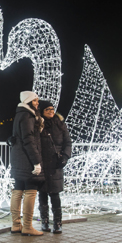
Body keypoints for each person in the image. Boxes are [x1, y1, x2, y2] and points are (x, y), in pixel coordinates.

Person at [9, 91, 44, 236]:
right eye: (35, 101)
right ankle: (28, 226)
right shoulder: (28, 116)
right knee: (31, 191)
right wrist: (36, 162)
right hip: (26, 159)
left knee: (18, 190)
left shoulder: (20, 114)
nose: (37, 103)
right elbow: (29, 140)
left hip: (18, 157)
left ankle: (16, 225)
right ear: (29, 101)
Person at [38, 100, 72, 234]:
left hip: (55, 163)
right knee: (42, 193)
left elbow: (67, 142)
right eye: (47, 110)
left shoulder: (60, 124)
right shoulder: (38, 124)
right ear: (42, 111)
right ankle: (44, 221)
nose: (51, 111)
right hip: (41, 163)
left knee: (55, 193)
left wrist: (65, 156)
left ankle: (58, 223)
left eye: (52, 109)